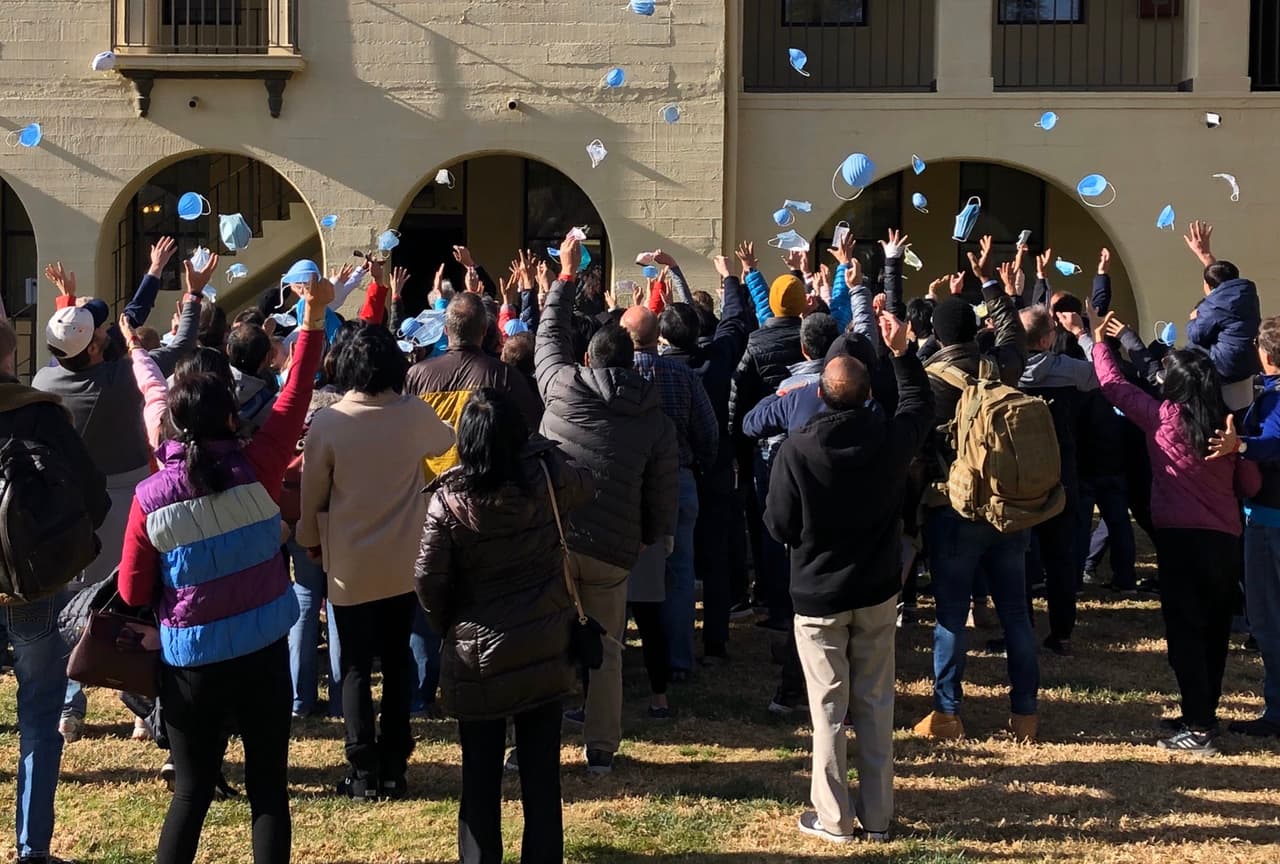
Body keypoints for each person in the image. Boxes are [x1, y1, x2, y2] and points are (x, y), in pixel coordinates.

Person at [116, 275, 329, 864]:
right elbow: (296, 395)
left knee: (190, 795)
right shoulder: (260, 464)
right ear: (232, 419)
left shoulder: (149, 498)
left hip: (191, 667)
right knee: (268, 794)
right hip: (263, 653)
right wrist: (313, 319)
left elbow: (133, 589)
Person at [765, 312, 933, 844]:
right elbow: (919, 408)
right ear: (866, 396)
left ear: (820, 392)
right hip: (877, 588)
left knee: (828, 710)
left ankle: (834, 817)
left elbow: (779, 524)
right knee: (876, 702)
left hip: (819, 593)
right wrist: (903, 354)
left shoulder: (797, 449)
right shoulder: (890, 441)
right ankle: (877, 815)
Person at [35, 239, 204, 742]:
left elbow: (103, 332)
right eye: (100, 329)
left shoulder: (46, 379)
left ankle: (71, 707)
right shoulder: (118, 378)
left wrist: (70, 306)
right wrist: (190, 297)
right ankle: (140, 704)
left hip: (72, 505)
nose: (110, 329)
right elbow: (177, 348)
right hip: (130, 501)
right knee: (140, 597)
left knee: (69, 602)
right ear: (94, 348)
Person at [416, 389, 592, 864]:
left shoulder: (449, 502)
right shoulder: (548, 479)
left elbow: (428, 581)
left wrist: (450, 625)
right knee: (541, 774)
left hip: (479, 651)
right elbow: (587, 482)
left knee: (479, 776)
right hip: (544, 642)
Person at [535, 233, 678, 774]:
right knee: (609, 649)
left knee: (542, 641)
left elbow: (548, 337)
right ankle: (601, 748)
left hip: (555, 534)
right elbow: (662, 483)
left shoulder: (561, 386)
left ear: (589, 356)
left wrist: (565, 277)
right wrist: (652, 534)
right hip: (614, 547)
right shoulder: (652, 413)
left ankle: (530, 741)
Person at [297, 323, 453, 799]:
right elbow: (446, 441)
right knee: (400, 657)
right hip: (406, 558)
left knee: (356, 666)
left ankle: (363, 767)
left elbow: (313, 496)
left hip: (351, 562)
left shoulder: (330, 422)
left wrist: (308, 538)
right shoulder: (413, 412)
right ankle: (395, 762)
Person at [1092, 312, 1259, 754]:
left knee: (1185, 631)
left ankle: (1200, 725)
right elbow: (1251, 485)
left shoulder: (1163, 417)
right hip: (1224, 538)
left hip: (1179, 538)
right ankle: (1202, 712)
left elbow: (1115, 388)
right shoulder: (1228, 427)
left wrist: (1099, 346)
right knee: (1215, 630)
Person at [0, 318, 109, 864]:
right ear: (11, 348)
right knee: (39, 717)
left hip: (30, 588)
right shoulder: (39, 413)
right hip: (32, 586)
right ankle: (31, 850)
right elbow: (93, 493)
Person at [914, 263, 1037, 742]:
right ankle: (1025, 715)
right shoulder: (1003, 366)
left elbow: (919, 447)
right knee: (1015, 612)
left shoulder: (931, 380)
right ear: (975, 329)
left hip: (953, 508)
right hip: (1009, 505)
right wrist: (990, 283)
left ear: (938, 335)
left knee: (950, 613)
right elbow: (1012, 332)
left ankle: (947, 714)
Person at [661, 255, 754, 662]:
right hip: (714, 469)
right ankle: (715, 642)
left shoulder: (654, 372)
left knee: (671, 561)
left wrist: (675, 278)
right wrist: (730, 279)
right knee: (715, 559)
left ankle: (667, 643)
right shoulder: (716, 363)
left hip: (670, 473)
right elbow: (734, 321)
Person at [619, 302, 717, 679]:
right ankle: (678, 660)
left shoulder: (615, 377)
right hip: (678, 477)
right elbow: (707, 430)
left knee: (620, 568)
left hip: (630, 479)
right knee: (679, 573)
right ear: (655, 336)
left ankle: (616, 654)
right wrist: (699, 464)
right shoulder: (682, 375)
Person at [1206, 314, 1280, 738]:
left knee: (1268, 619)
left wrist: (1241, 444)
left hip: (1270, 520)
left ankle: (1277, 711)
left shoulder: (1273, 401)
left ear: (1265, 355)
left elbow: (1273, 443)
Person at [1019, 304, 1099, 655]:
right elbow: (1103, 373)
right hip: (1061, 471)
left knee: (1017, 555)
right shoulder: (1072, 371)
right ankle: (1062, 632)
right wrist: (1084, 335)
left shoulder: (1005, 371)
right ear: (1050, 338)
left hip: (1019, 473)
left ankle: (1019, 627)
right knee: (1061, 557)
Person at [405, 290, 542, 482]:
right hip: (486, 487)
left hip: (430, 487)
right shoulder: (503, 375)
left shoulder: (416, 375)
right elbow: (532, 429)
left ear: (445, 330)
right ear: (485, 330)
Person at [1182, 220, 1261, 413]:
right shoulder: (1246, 292)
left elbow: (1196, 335)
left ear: (1209, 287)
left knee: (1189, 351)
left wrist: (1194, 318)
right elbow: (1220, 281)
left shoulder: (1212, 306)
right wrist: (1206, 256)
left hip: (1227, 366)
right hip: (1249, 361)